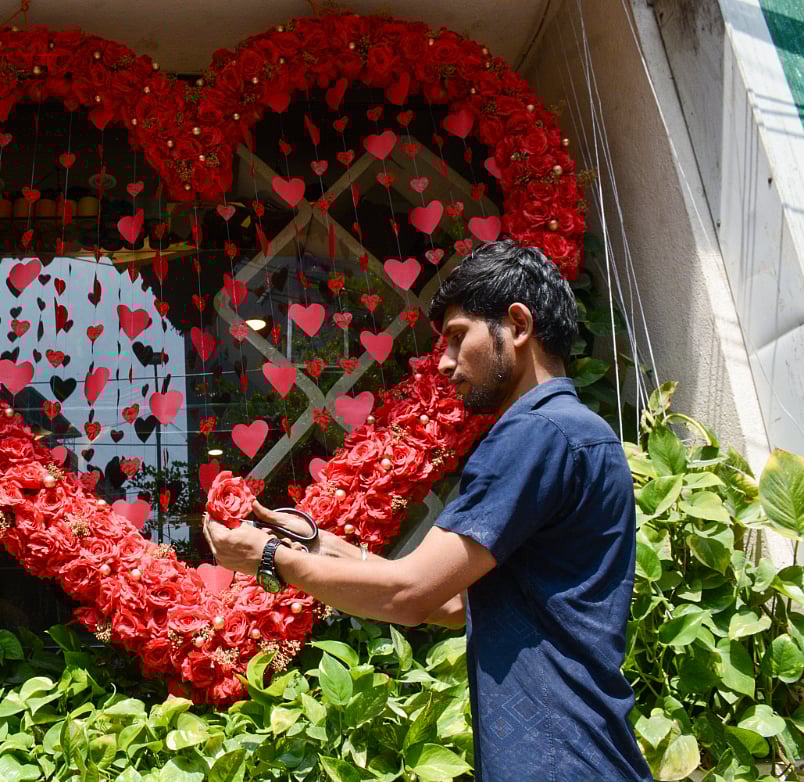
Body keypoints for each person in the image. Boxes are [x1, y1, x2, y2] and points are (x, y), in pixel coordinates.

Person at [204, 240, 653, 781]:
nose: (443, 363)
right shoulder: (578, 433)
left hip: (557, 762)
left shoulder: (534, 433)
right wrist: (314, 542)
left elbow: (410, 595)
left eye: (459, 337)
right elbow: (453, 600)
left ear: (517, 324)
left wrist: (271, 558)